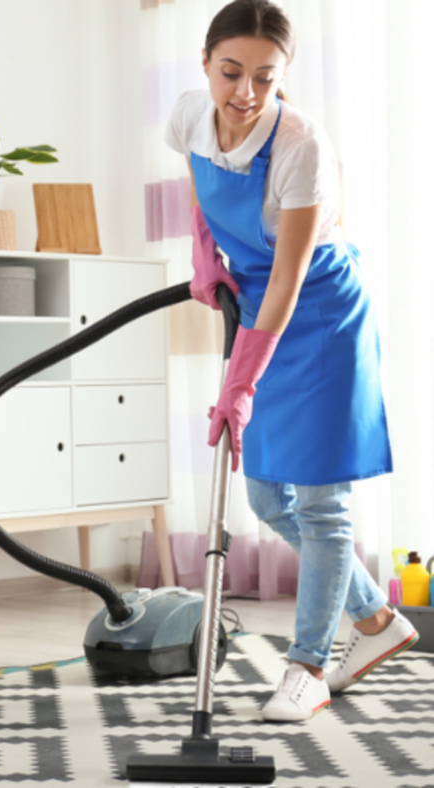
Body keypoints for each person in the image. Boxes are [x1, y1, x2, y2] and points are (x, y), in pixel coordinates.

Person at [165, 0, 419, 723]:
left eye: (265, 78)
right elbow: (200, 184)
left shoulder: (303, 144)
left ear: (286, 75)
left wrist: (239, 381)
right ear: (207, 65)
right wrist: (201, 254)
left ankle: (307, 667)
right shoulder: (189, 116)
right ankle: (378, 621)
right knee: (268, 497)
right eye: (231, 72)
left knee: (320, 502)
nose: (245, 93)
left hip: (320, 318)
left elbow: (287, 277)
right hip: (258, 313)